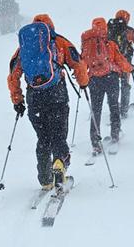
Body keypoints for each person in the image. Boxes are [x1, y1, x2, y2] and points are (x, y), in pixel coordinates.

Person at [8, 14, 88, 189]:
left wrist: (17, 99)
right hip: (56, 94)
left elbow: (13, 74)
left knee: (43, 138)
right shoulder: (58, 41)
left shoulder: (25, 47)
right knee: (59, 134)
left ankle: (45, 179)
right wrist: (83, 82)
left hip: (34, 97)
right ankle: (59, 162)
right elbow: (78, 63)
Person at [80, 17, 134, 155]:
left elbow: (83, 62)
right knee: (114, 106)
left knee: (96, 111)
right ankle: (115, 135)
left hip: (93, 81)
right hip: (111, 78)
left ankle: (95, 143)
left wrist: (82, 79)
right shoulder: (110, 44)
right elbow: (120, 61)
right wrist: (130, 68)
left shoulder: (87, 44)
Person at [106, 9, 134, 118]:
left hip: (112, 62)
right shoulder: (129, 31)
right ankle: (124, 110)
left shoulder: (108, 29)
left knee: (113, 86)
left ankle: (113, 108)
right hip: (125, 62)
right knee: (125, 84)